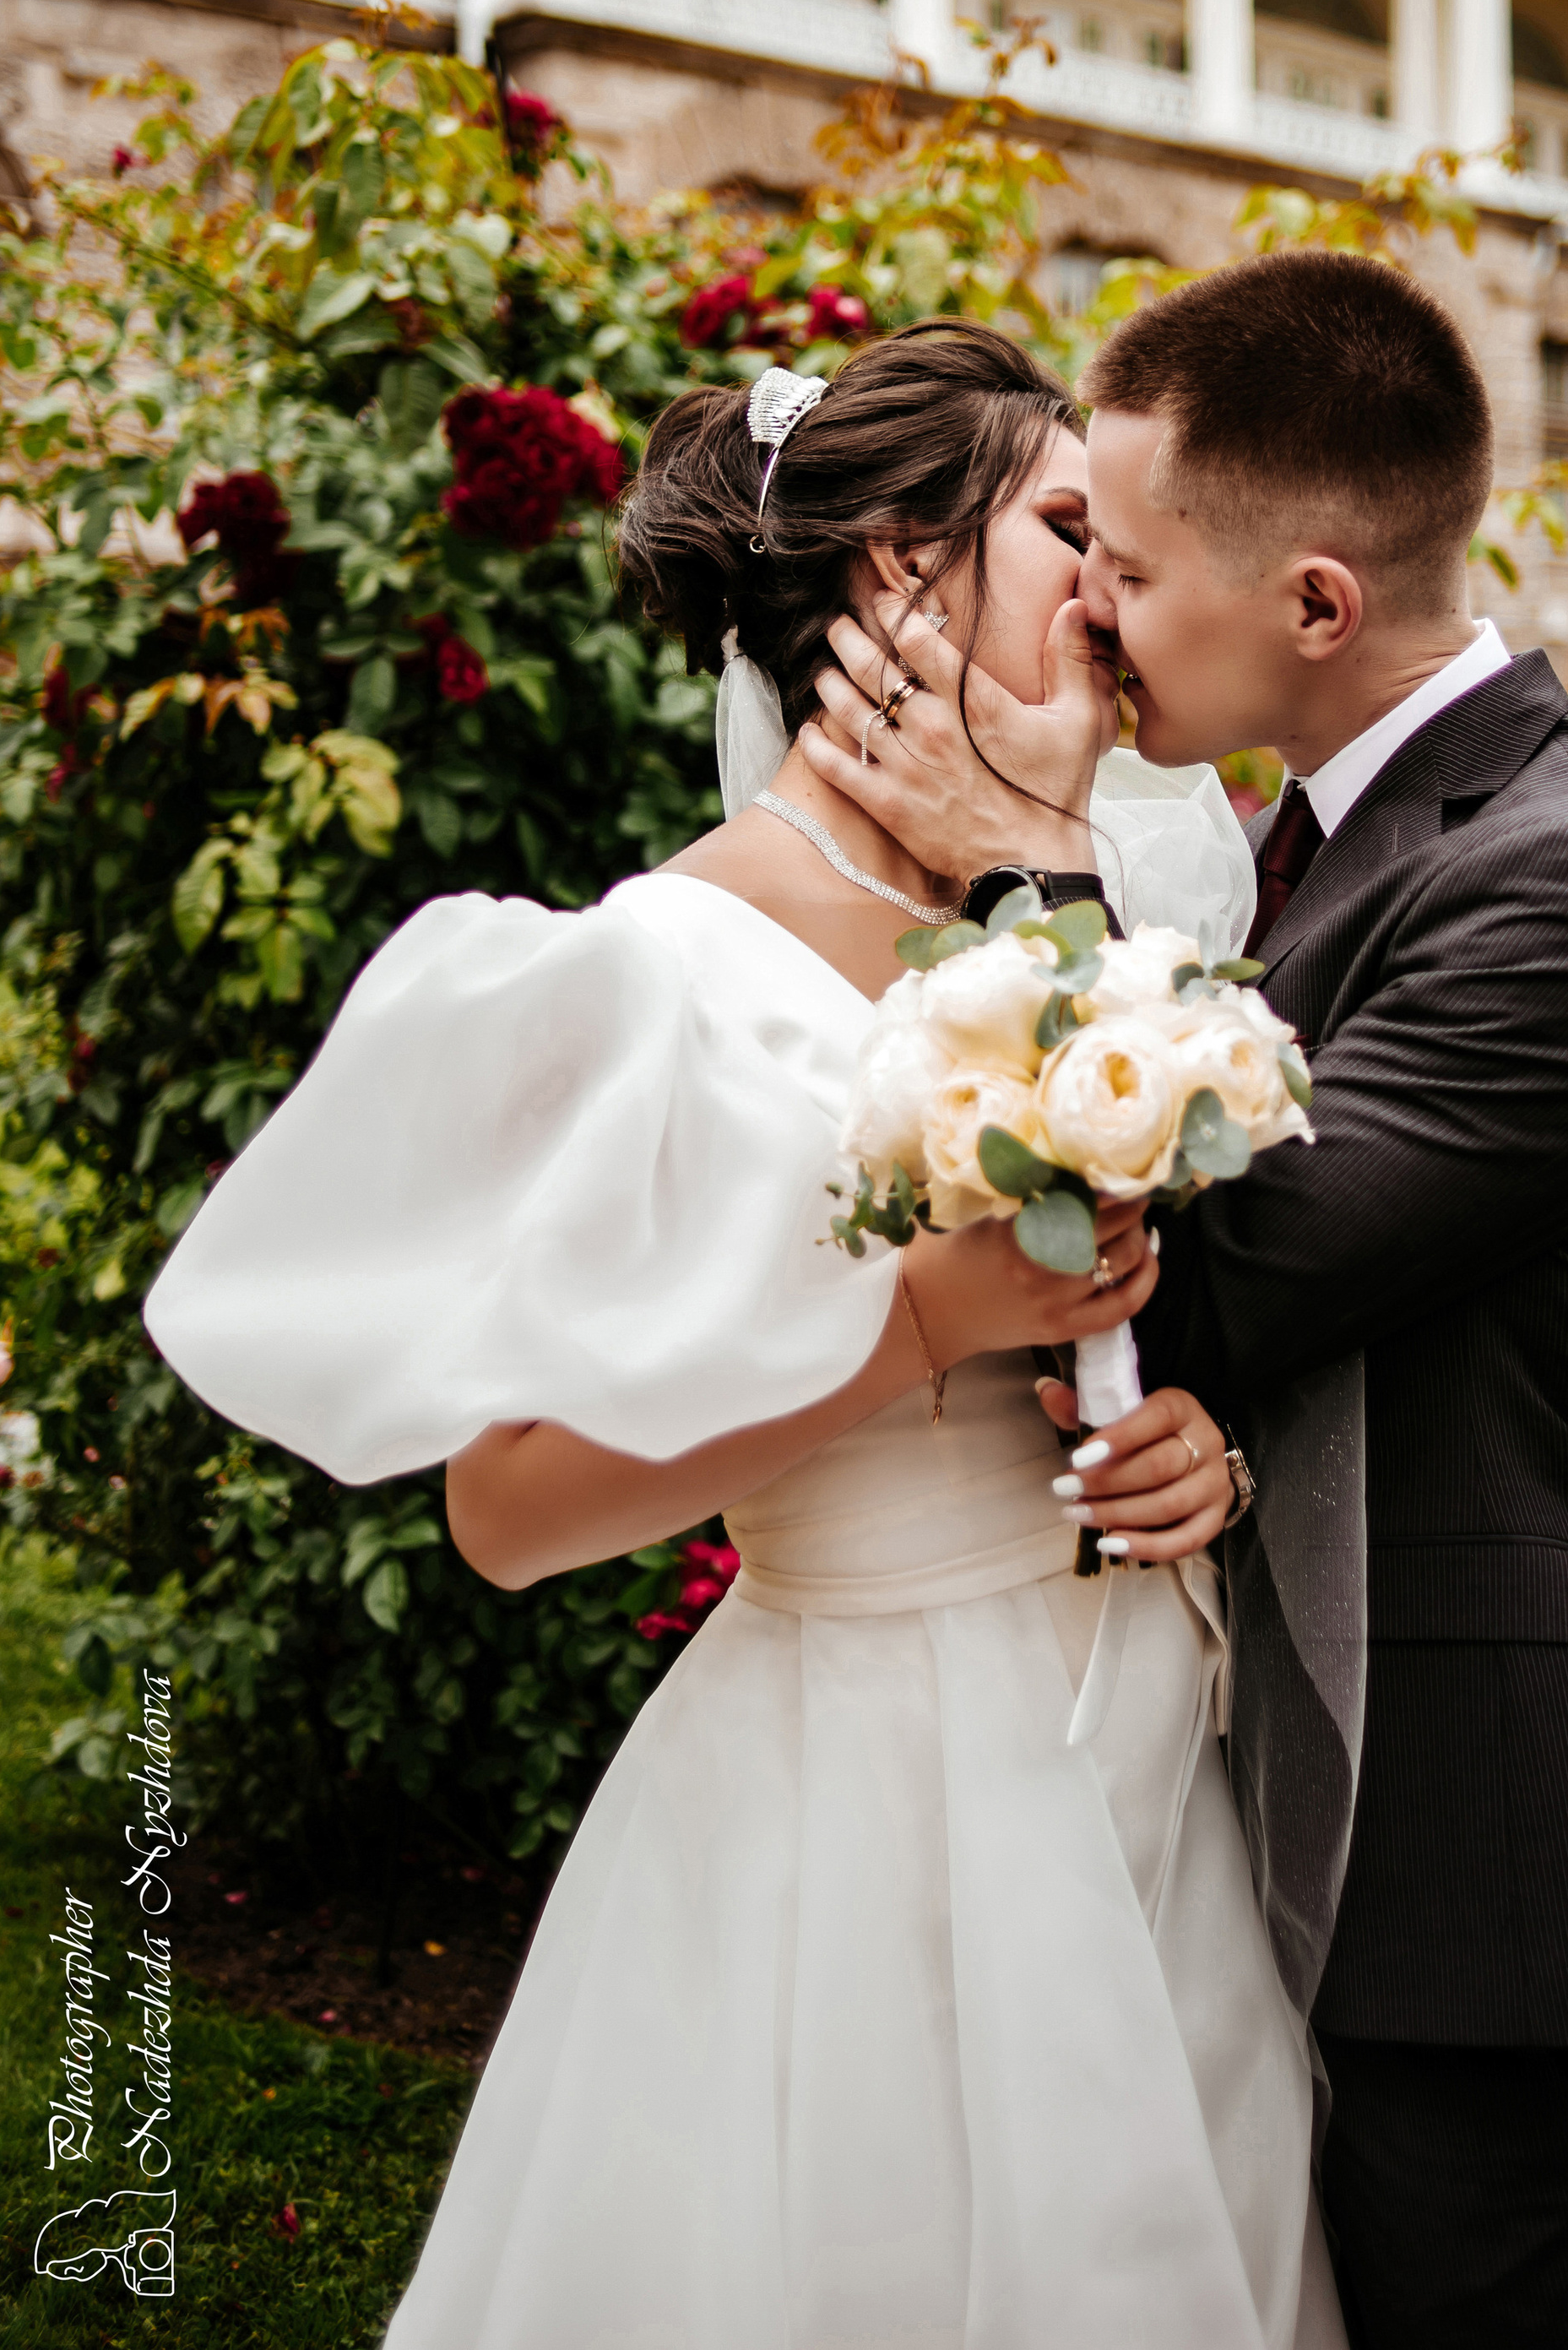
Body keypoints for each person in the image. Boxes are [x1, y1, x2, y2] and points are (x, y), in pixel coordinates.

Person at [145, 318, 1346, 2350]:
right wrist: (911, 1325)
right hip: (880, 1779)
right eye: (1072, 530)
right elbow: (504, 1512)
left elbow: (1153, 1315)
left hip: (1153, 1741)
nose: (1120, 582)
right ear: (897, 563)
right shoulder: (656, 968)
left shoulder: (1086, 918)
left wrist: (1191, 1440)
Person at [803, 254, 1568, 2350]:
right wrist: (1222, 1450)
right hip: (1313, 1819)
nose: (1089, 608)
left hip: (1498, 1879)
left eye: (1128, 566)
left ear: (1314, 603)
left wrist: (1024, 859)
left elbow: (1210, 1268)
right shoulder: (1319, 835)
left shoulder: (1564, 878)